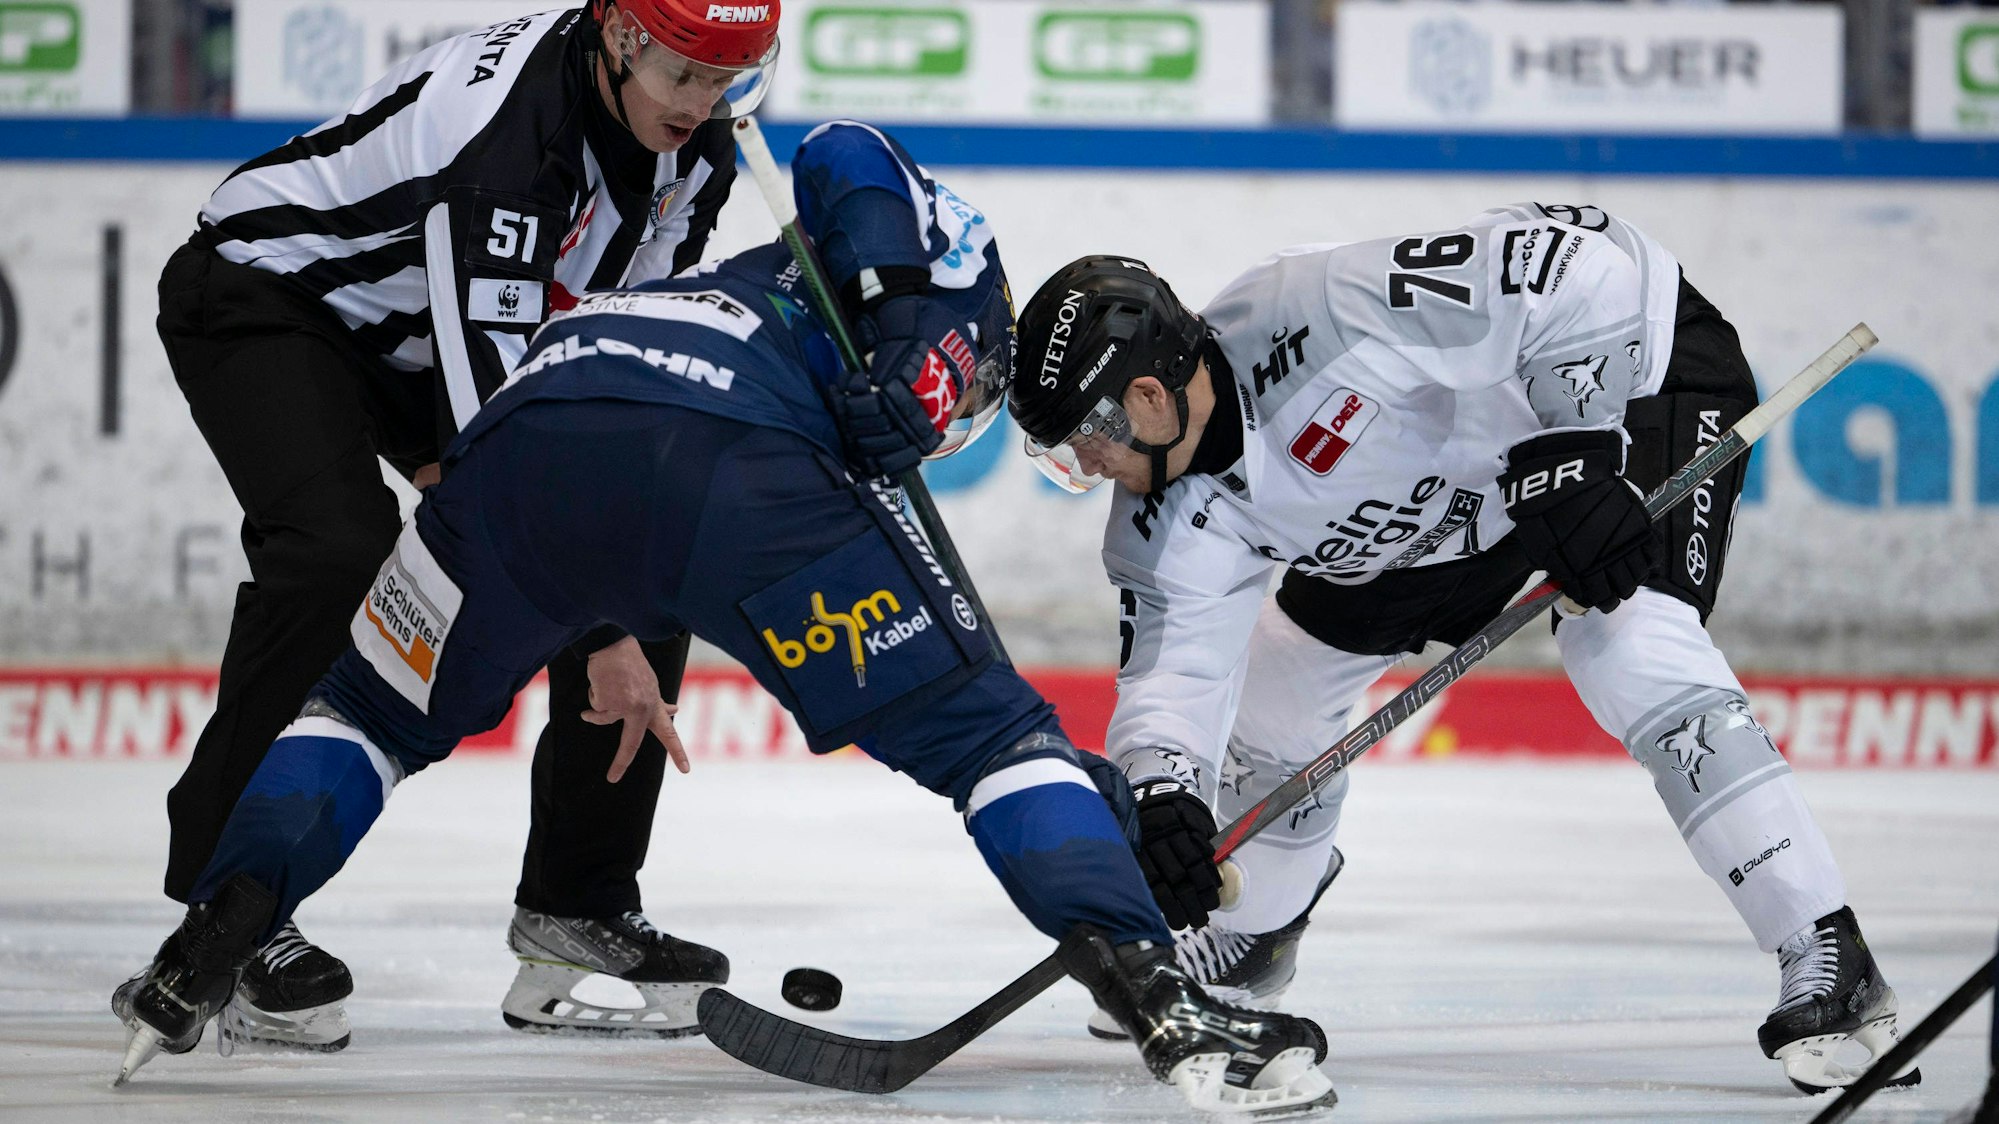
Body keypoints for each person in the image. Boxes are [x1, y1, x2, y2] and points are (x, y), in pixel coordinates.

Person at [110, 122, 1339, 1117]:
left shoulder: (759, 314)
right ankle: (1159, 999)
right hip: (736, 472)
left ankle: (214, 931)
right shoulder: (960, 287)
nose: (952, 412)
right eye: (967, 403)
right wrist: (914, 338)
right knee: (996, 749)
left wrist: (1124, 811)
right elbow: (847, 149)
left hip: (530, 433)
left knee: (366, 711)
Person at [1009, 202, 1922, 1095]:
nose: (1087, 468)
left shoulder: (1322, 311)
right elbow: (1172, 681)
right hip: (1454, 503)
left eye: (1087, 438)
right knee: (1280, 682)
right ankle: (1258, 939)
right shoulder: (1159, 516)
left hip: (1624, 386)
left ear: (1147, 395)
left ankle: (1827, 951)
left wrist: (1572, 444)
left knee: (1624, 639)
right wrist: (1166, 795)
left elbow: (1578, 266)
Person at [145, 0, 777, 1048]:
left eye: (726, 81)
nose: (703, 107)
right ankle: (233, 904)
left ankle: (576, 904)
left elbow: (614, 353)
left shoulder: (695, 138)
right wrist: (605, 640)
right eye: (684, 77)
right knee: (339, 551)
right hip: (272, 300)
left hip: (417, 338)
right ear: (622, 39)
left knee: (642, 530)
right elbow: (495, 440)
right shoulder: (507, 149)